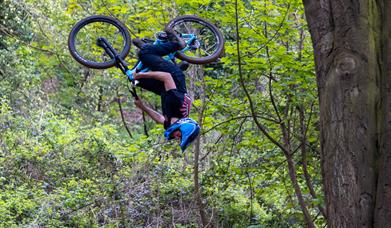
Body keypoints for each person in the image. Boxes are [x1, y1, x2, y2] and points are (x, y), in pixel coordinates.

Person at [131, 29, 200, 151]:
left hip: (165, 88)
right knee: (145, 54)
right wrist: (141, 75)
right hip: (171, 76)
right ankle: (177, 44)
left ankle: (149, 47)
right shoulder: (178, 105)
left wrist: (142, 106)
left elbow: (159, 119)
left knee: (134, 80)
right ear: (184, 127)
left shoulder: (171, 123)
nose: (176, 138)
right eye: (180, 136)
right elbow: (166, 77)